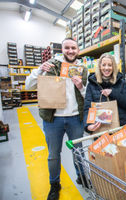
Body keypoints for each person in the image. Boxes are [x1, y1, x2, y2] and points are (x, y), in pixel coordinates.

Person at [25, 38, 88, 200]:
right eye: (67, 48)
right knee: (53, 154)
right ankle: (54, 184)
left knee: (78, 151)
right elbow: (28, 86)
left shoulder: (82, 69)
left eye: (73, 48)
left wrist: (81, 86)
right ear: (62, 49)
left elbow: (87, 96)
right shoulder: (51, 65)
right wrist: (39, 70)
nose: (70, 51)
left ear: (78, 50)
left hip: (75, 118)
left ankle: (82, 177)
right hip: (53, 119)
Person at [83, 53, 126, 133]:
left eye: (110, 65)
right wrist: (88, 125)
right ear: (99, 66)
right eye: (104, 65)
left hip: (120, 128)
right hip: (99, 128)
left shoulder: (121, 82)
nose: (106, 68)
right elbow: (88, 108)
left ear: (113, 67)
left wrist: (113, 93)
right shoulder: (92, 84)